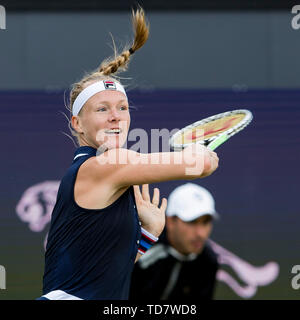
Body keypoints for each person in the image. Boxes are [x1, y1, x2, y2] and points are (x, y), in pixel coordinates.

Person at [37, 8, 219, 300]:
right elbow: (200, 164)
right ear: (77, 124)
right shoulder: (104, 166)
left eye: (122, 108)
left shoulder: (105, 173)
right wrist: (202, 150)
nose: (116, 117)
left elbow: (103, 272)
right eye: (102, 109)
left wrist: (148, 234)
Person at [130, 183, 219, 301]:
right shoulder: (141, 251)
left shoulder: (208, 261)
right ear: (171, 221)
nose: (201, 233)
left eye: (206, 222)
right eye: (192, 222)